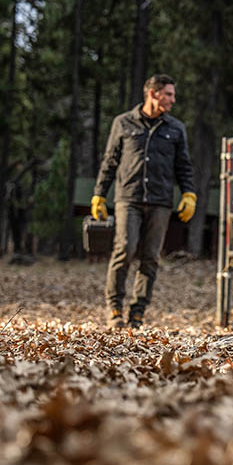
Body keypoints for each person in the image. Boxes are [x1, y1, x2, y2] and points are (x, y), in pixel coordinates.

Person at [91, 74, 197, 328]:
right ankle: (114, 308)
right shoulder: (123, 123)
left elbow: (183, 165)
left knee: (150, 256)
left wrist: (188, 193)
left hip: (160, 201)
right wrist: (99, 194)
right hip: (129, 197)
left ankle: (138, 312)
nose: (173, 99)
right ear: (153, 93)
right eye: (168, 94)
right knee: (124, 249)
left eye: (173, 94)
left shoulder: (175, 129)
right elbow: (110, 161)